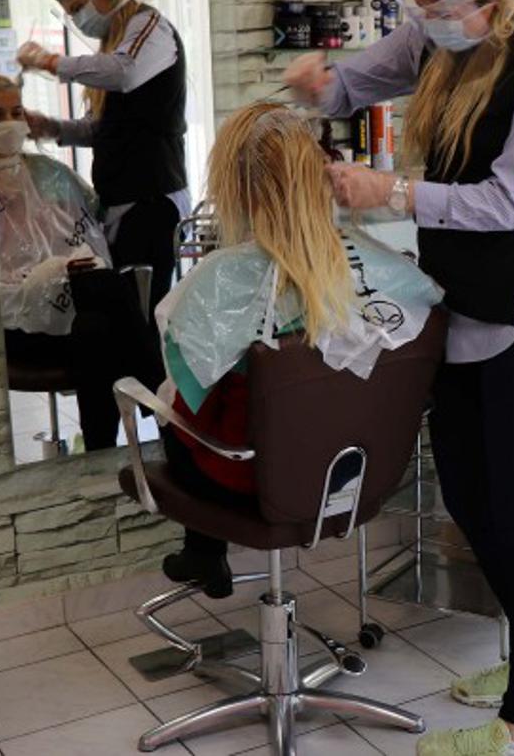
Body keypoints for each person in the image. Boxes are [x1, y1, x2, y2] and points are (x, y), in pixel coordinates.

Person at [285, 0, 514, 756]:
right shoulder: (438, 35)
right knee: (468, 497)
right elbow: (358, 81)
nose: (427, 23)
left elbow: (508, 201)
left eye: (439, 8)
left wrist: (391, 192)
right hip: (463, 307)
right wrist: (318, 84)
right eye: (420, 8)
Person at [155, 102, 443, 598]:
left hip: (251, 480)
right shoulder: (383, 267)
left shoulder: (221, 280)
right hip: (357, 474)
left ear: (238, 188)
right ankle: (204, 554)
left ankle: (203, 553)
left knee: (172, 417)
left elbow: (191, 399)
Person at [0, 73, 153, 450]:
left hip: (78, 316)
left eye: (16, 112)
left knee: (96, 328)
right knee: (103, 304)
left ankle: (99, 455)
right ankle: (158, 396)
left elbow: (92, 229)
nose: (9, 123)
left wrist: (69, 269)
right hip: (14, 332)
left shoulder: (50, 175)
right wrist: (48, 276)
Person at [16, 0, 189, 317]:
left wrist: (51, 62)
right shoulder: (116, 44)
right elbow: (104, 128)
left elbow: (124, 72)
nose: (79, 20)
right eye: (71, 14)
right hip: (123, 202)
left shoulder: (151, 27)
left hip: (153, 201)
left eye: (79, 7)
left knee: (145, 318)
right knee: (126, 315)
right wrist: (51, 128)